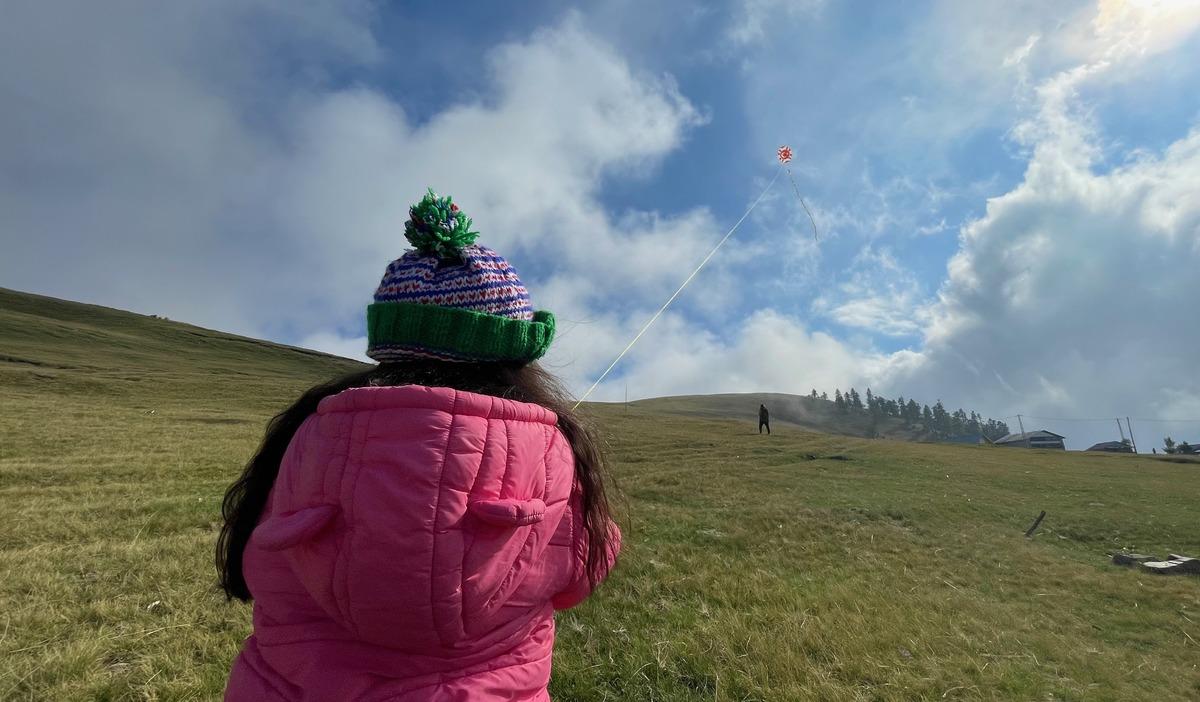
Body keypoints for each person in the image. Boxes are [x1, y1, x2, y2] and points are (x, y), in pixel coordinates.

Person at [217, 189, 620, 702]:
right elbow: (582, 573)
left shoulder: (305, 437)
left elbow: (262, 565)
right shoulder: (556, 451)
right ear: (514, 354)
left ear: (388, 344)